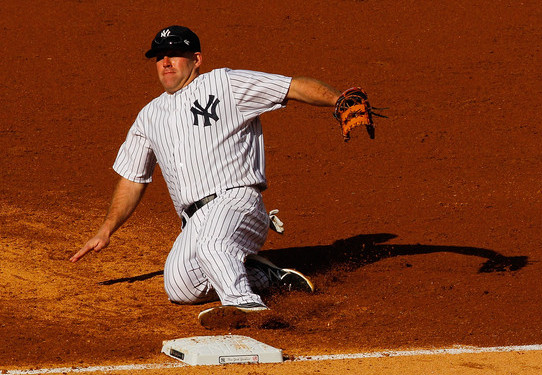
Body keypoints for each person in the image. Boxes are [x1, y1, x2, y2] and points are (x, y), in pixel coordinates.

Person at [70, 25, 344, 328]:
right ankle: (264, 276)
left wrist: (337, 100)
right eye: (160, 57)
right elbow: (133, 178)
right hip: (194, 220)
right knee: (180, 287)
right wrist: (107, 228)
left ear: (196, 59)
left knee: (213, 246)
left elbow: (290, 87)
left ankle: (246, 306)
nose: (166, 62)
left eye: (175, 54)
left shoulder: (225, 84)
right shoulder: (149, 116)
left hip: (237, 199)